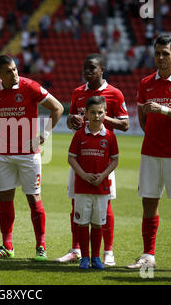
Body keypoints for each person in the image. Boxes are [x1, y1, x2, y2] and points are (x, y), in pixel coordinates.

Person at [126, 35, 171, 273]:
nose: (160, 58)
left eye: (165, 54)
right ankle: (148, 256)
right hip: (150, 153)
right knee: (149, 204)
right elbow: (145, 121)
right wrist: (153, 120)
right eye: (157, 53)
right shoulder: (146, 82)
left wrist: (165, 109)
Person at [0, 54, 64, 261]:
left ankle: (41, 247)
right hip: (4, 155)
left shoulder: (30, 87)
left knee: (33, 198)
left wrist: (43, 136)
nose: (14, 73)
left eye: (14, 69)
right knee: (5, 198)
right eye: (8, 71)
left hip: (29, 155)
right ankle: (7, 246)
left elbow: (58, 108)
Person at [56, 53, 129, 266]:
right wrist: (72, 120)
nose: (87, 72)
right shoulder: (78, 92)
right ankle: (76, 249)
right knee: (76, 203)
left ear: (102, 69)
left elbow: (125, 125)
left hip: (102, 159)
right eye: (85, 68)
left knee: (105, 205)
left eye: (92, 68)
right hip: (81, 156)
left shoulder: (114, 94)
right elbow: (71, 122)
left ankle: (107, 251)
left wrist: (99, 116)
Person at [68, 96, 119, 269]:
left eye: (100, 112)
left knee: (98, 223)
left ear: (105, 113)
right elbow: (71, 158)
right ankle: (85, 258)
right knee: (82, 223)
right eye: (92, 113)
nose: (96, 116)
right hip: (82, 187)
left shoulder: (110, 136)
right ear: (86, 114)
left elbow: (114, 160)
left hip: (101, 187)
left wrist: (103, 175)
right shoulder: (79, 135)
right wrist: (82, 175)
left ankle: (96, 258)